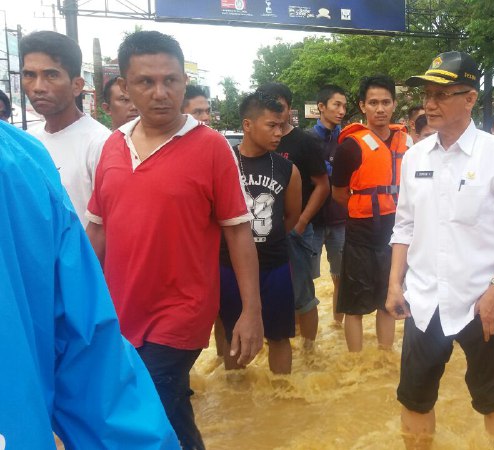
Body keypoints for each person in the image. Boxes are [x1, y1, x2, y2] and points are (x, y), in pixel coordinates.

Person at [85, 31, 264, 449]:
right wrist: (71, 299)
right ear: (125, 87)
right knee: (161, 413)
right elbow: (98, 229)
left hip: (180, 311)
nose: (161, 92)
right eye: (146, 82)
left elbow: (238, 231)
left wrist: (250, 312)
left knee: (153, 406)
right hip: (121, 309)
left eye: (171, 80)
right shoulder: (112, 146)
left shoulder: (212, 147)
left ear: (185, 81)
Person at [0, 120, 180, 449]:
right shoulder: (24, 157)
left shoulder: (23, 160)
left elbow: (86, 350)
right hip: (107, 299)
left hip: (155, 305)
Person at [389, 51, 494, 448]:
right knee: (414, 398)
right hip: (424, 300)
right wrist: (393, 284)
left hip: (480, 301)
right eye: (427, 94)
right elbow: (404, 224)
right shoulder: (415, 156)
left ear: (469, 99)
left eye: (441, 94)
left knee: (491, 399)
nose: (429, 104)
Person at [218, 91, 301, 374]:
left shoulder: (287, 169)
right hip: (230, 266)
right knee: (233, 334)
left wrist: (264, 239)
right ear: (248, 125)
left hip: (274, 265)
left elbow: (290, 216)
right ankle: (239, 399)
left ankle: (282, 402)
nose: (279, 133)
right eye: (272, 126)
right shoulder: (223, 164)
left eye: (282, 126)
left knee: (279, 335)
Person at [331, 74, 412, 352]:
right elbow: (339, 192)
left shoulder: (408, 144)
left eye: (386, 102)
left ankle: (384, 359)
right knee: (354, 306)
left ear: (394, 104)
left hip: (395, 234)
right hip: (360, 234)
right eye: (373, 102)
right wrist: (362, 208)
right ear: (362, 105)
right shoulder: (349, 147)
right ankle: (356, 361)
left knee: (388, 301)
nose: (380, 109)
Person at [259, 82, 330, 350]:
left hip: (295, 230)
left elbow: (323, 185)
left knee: (302, 294)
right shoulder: (257, 141)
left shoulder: (304, 141)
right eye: (269, 106)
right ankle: (277, 345)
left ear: (290, 107)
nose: (275, 113)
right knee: (269, 292)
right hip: (262, 231)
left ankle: (309, 350)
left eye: (280, 106)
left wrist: (300, 223)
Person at [20, 30, 111, 228]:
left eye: (51, 75)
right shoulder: (27, 142)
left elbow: (106, 227)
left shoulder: (100, 143)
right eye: (29, 75)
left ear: (77, 85)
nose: (38, 87)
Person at [310, 84, 348, 327]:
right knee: (304, 280)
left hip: (339, 220)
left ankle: (336, 326)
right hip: (311, 221)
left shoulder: (347, 140)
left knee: (340, 277)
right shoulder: (306, 140)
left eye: (344, 106)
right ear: (321, 107)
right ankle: (305, 336)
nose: (342, 111)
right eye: (337, 105)